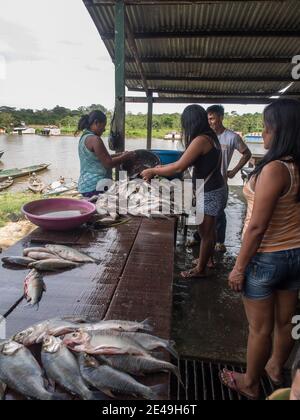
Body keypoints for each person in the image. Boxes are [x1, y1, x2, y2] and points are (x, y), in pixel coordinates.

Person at [220, 99, 300, 400]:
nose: (263, 134)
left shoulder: (276, 169)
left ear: (277, 130)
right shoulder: (296, 165)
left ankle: (250, 383)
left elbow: (256, 226)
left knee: (260, 329)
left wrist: (239, 266)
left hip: (267, 258)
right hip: (296, 255)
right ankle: (277, 368)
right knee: (284, 321)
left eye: (266, 128)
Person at [141, 104, 227, 279]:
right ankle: (207, 260)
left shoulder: (201, 140)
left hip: (210, 191)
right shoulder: (210, 136)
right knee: (207, 231)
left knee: (205, 231)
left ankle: (201, 269)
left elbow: (179, 166)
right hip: (214, 188)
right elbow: (183, 162)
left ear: (190, 122)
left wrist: (153, 171)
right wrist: (161, 167)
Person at [207, 105, 252, 253]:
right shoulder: (205, 136)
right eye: (208, 118)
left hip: (220, 182)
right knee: (201, 212)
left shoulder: (232, 137)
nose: (210, 121)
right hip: (204, 181)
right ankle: (199, 237)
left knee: (219, 212)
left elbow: (247, 153)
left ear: (221, 117)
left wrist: (234, 170)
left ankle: (220, 241)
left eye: (212, 118)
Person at [76, 110, 134, 197]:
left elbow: (101, 158)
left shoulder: (83, 138)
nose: (104, 130)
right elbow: (108, 163)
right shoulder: (95, 139)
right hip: (96, 186)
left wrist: (121, 154)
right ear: (96, 123)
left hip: (84, 185)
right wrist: (125, 157)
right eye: (104, 125)